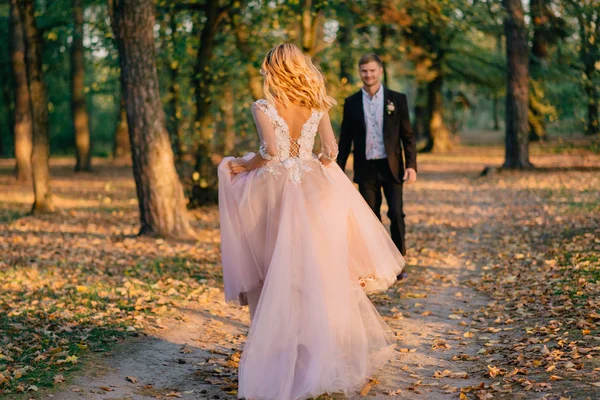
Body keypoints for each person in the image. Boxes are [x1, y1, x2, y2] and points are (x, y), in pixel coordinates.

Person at [218, 44, 405, 400]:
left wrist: (244, 165)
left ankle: (280, 359)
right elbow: (331, 152)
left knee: (278, 273)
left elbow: (270, 152)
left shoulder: (262, 106)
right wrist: (314, 158)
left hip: (276, 193)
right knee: (315, 273)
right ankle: (316, 360)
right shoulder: (318, 103)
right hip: (314, 191)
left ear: (274, 70)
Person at [337, 54, 417, 278]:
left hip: (391, 167)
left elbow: (407, 136)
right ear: (359, 72)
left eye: (372, 70)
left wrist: (411, 165)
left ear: (380, 71)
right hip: (366, 169)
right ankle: (375, 264)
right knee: (371, 218)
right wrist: (338, 169)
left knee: (397, 214)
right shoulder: (351, 102)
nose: (368, 74)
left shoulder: (397, 100)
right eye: (364, 71)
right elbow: (345, 139)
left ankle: (399, 262)